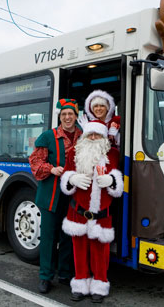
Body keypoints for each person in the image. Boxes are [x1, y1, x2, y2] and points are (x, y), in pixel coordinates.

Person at [59, 119, 123, 303]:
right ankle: (80, 283)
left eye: (97, 134)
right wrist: (73, 179)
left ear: (103, 136)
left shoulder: (113, 153)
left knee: (100, 252)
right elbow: (66, 177)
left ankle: (100, 285)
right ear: (85, 136)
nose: (93, 137)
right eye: (90, 134)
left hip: (102, 213)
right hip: (77, 212)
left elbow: (118, 182)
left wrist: (112, 180)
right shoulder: (73, 153)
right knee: (78, 251)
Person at [29, 98, 82, 294]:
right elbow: (35, 163)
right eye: (64, 114)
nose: (67, 117)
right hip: (51, 195)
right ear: (60, 117)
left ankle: (66, 274)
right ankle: (45, 277)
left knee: (69, 236)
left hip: (74, 196)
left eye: (71, 114)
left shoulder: (83, 136)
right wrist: (51, 169)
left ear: (76, 117)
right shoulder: (48, 136)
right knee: (49, 238)